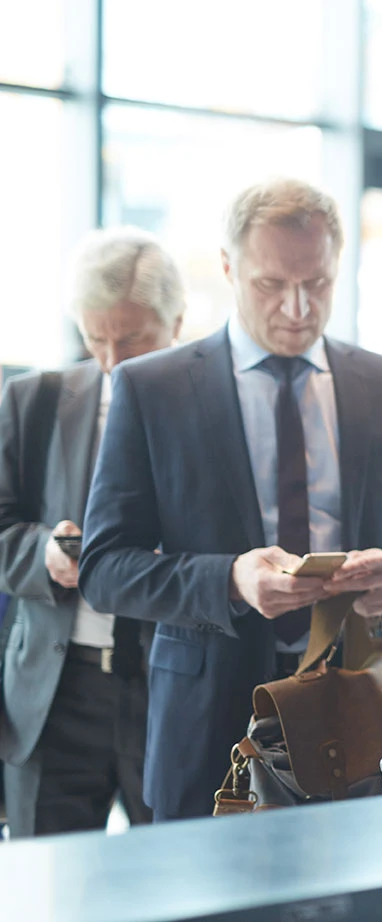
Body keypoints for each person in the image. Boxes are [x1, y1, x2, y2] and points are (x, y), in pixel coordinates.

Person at [79, 178, 382, 821]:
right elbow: (104, 569)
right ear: (227, 269)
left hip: (368, 709)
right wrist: (231, 579)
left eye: (318, 284)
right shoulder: (151, 389)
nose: (298, 307)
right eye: (271, 285)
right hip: (210, 718)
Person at [0, 228, 184, 836]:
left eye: (129, 339)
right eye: (93, 337)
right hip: (54, 693)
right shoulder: (32, 400)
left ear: (175, 321)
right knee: (43, 891)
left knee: (178, 883)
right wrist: (42, 552)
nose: (109, 360)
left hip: (168, 686)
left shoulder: (211, 413)